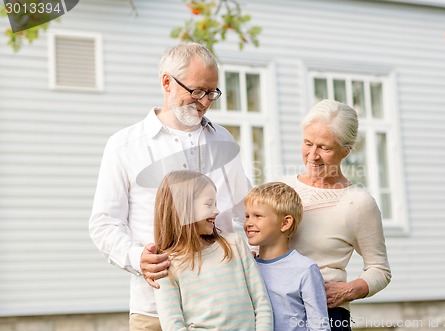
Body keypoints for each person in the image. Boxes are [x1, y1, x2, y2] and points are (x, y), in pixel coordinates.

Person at [89, 42, 250, 331]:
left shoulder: (223, 140)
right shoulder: (124, 145)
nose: (205, 101)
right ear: (167, 82)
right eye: (197, 91)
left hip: (225, 308)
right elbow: (104, 223)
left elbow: (247, 212)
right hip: (156, 309)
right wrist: (138, 258)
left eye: (212, 92)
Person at [279, 99, 391, 331]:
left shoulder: (358, 203)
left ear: (346, 150)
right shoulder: (281, 189)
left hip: (327, 313)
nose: (312, 155)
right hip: (277, 308)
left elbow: (380, 269)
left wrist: (350, 289)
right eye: (308, 143)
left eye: (324, 147)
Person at [153, 170, 273, 331]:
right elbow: (173, 326)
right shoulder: (166, 266)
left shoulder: (235, 244)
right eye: (209, 204)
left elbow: (261, 302)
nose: (216, 211)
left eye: (216, 204)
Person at [244, 182, 330, 331]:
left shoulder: (305, 269)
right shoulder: (247, 266)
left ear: (285, 223)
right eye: (247, 216)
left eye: (258, 216)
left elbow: (319, 326)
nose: (248, 223)